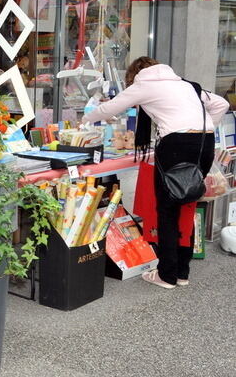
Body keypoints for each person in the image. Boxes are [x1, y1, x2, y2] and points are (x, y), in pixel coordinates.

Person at [81, 56, 228, 289]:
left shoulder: (144, 84)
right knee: (187, 205)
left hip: (176, 145)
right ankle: (181, 272)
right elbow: (221, 104)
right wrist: (203, 129)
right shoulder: (186, 84)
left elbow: (111, 107)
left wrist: (85, 118)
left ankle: (166, 275)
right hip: (204, 144)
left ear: (134, 76)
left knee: (167, 211)